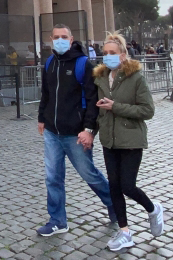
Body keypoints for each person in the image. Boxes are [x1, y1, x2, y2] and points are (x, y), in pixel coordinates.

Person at [36, 24, 116, 236]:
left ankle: (114, 204)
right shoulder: (49, 63)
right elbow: (46, 93)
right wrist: (41, 117)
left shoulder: (83, 64)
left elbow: (92, 100)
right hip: (52, 131)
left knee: (89, 174)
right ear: (50, 40)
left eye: (64, 37)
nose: (60, 40)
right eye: (56, 37)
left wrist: (89, 129)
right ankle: (57, 220)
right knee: (53, 177)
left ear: (71, 40)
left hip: (76, 133)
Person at [93, 32, 164, 252]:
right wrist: (90, 130)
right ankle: (124, 232)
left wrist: (115, 106)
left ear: (123, 55)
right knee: (113, 186)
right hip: (109, 140)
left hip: (131, 138)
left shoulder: (136, 78)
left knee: (127, 185)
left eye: (112, 53)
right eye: (105, 53)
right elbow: (99, 110)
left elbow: (147, 110)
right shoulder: (101, 77)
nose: (107, 56)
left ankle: (153, 209)